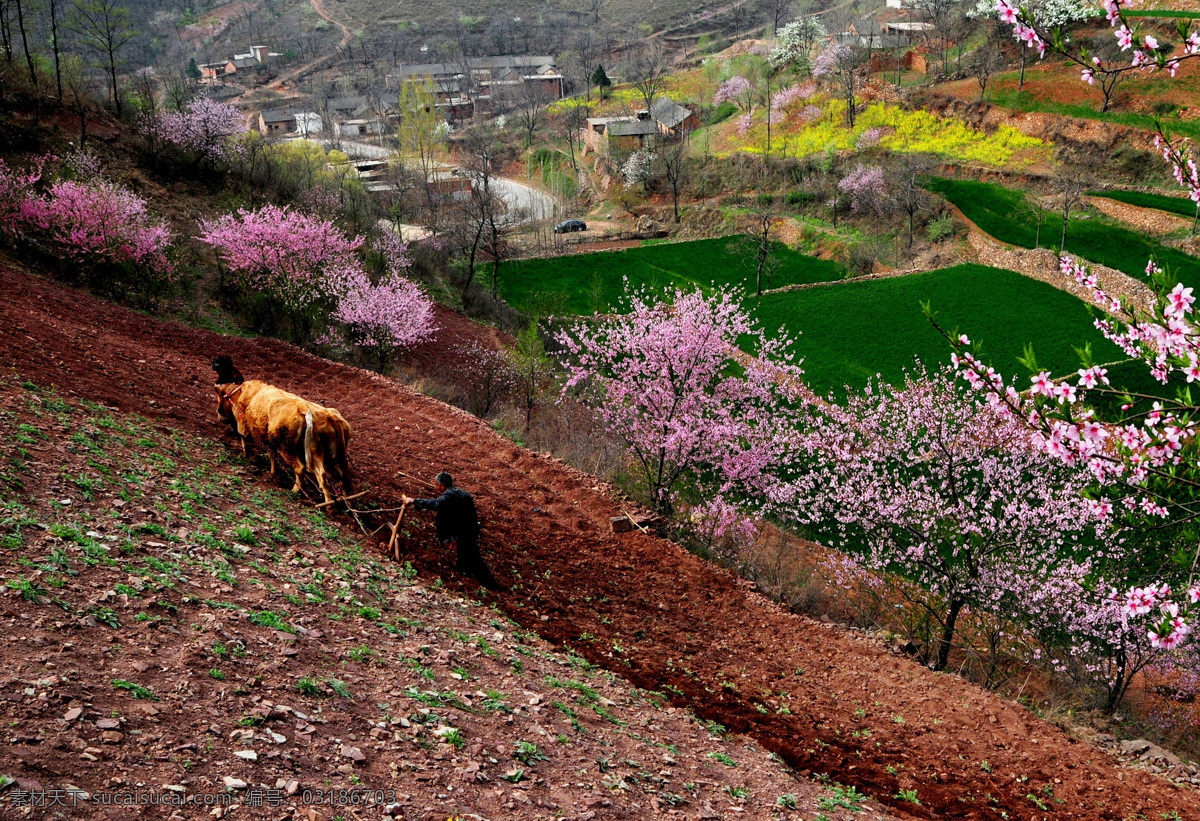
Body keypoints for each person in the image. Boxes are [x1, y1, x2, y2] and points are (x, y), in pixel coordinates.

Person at [402, 472, 497, 588]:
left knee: (474, 558)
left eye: (436, 484)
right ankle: (468, 578)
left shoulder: (449, 496)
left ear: (441, 486)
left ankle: (489, 585)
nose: (435, 486)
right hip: (470, 531)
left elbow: (436, 504)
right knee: (466, 556)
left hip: (463, 533)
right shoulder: (462, 493)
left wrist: (414, 501)